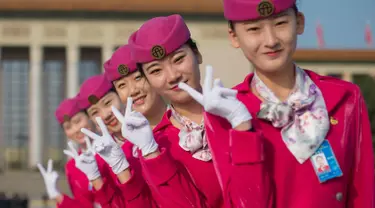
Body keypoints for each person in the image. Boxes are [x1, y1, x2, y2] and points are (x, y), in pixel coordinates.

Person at [180, 0, 375, 207]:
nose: (271, 40)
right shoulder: (225, 111)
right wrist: (242, 127)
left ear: (299, 22)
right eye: (254, 29)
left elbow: (362, 192)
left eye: (280, 23)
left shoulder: (343, 98)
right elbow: (244, 202)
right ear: (234, 37)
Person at [121, 13, 255, 207]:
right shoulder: (157, 145)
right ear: (148, 80)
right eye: (156, 71)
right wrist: (152, 155)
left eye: (178, 59)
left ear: (197, 54)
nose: (173, 76)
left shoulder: (243, 107)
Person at [76, 74, 157, 207]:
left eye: (108, 103)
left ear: (120, 97)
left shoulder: (152, 129)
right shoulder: (103, 159)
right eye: (95, 112)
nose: (106, 114)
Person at [38, 97, 124, 208]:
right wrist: (57, 195)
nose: (75, 129)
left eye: (78, 121)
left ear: (89, 117)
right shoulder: (72, 167)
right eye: (68, 127)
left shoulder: (115, 144)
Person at [103, 44, 166, 129]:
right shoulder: (130, 141)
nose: (133, 91)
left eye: (138, 77)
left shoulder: (186, 124)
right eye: (122, 85)